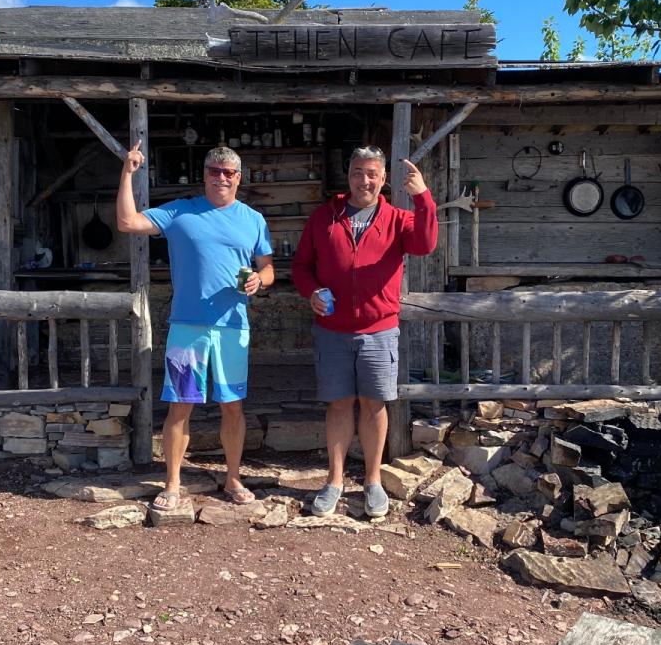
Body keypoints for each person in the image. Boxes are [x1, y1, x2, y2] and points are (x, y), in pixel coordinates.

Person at [115, 142, 274, 511]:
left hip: (233, 328)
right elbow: (127, 222)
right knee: (180, 406)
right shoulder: (180, 212)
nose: (221, 177)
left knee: (232, 406)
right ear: (204, 176)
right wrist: (127, 173)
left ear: (239, 178)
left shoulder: (253, 219)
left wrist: (260, 281)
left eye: (228, 172)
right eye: (214, 171)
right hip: (188, 327)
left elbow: (268, 267)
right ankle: (172, 484)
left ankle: (233, 478)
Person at [293, 146, 437, 518]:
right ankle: (335, 481)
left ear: (383, 179)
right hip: (332, 330)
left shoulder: (397, 218)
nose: (365, 180)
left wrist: (423, 197)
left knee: (374, 406)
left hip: (379, 330)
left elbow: (425, 244)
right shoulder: (325, 217)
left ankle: (372, 481)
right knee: (339, 404)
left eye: (372, 173)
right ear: (349, 176)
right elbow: (302, 267)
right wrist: (312, 292)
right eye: (358, 172)